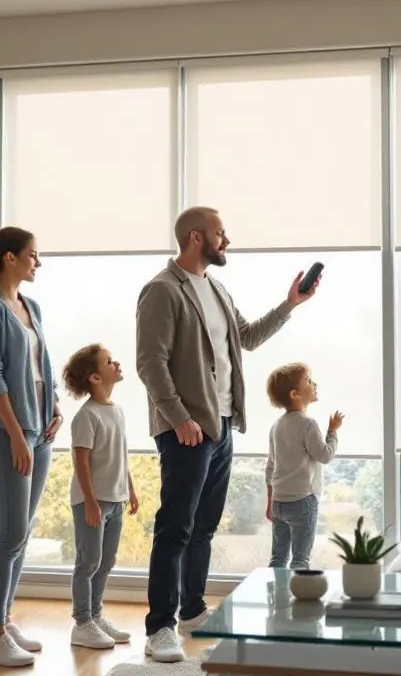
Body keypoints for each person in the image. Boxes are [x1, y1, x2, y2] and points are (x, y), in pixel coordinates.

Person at [135, 206, 320, 663]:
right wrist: (179, 418)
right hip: (186, 429)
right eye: (221, 233)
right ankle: (159, 626)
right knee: (175, 527)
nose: (227, 240)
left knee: (203, 526)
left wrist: (290, 304)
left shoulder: (216, 288)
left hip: (219, 425)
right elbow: (150, 363)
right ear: (197, 238)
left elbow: (249, 337)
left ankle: (192, 611)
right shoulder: (162, 290)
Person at [0, 226, 63, 668]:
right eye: (32, 255)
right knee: (12, 532)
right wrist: (14, 435)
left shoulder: (30, 305)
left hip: (39, 427)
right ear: (9, 259)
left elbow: (42, 364)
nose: (37, 262)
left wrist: (55, 406)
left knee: (22, 530)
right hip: (10, 431)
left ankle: (4, 618)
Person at [61, 343, 140, 650]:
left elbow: (121, 454)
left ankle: (96, 614)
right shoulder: (87, 416)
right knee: (88, 561)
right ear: (94, 378)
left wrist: (129, 489)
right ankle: (82, 623)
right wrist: (91, 502)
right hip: (91, 502)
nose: (116, 363)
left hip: (116, 499)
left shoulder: (116, 411)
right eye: (109, 361)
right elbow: (80, 461)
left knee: (106, 561)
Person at [264, 362, 342, 570]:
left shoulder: (276, 426)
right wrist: (332, 432)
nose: (314, 383)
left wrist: (269, 501)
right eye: (308, 380)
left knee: (278, 558)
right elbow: (324, 455)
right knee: (300, 559)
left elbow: (270, 466)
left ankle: (277, 601)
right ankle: (298, 601)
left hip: (279, 502)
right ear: (295, 394)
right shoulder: (308, 424)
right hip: (302, 501)